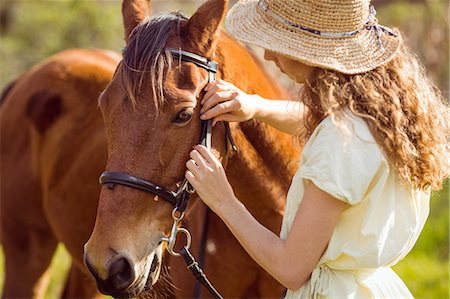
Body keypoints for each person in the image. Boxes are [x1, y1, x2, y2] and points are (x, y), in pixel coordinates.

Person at [185, 0, 450, 297]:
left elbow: (290, 268)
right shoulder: (384, 118)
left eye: (277, 42)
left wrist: (224, 201)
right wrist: (255, 106)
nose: (268, 54)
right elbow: (316, 123)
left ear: (310, 51)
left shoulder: (340, 140)